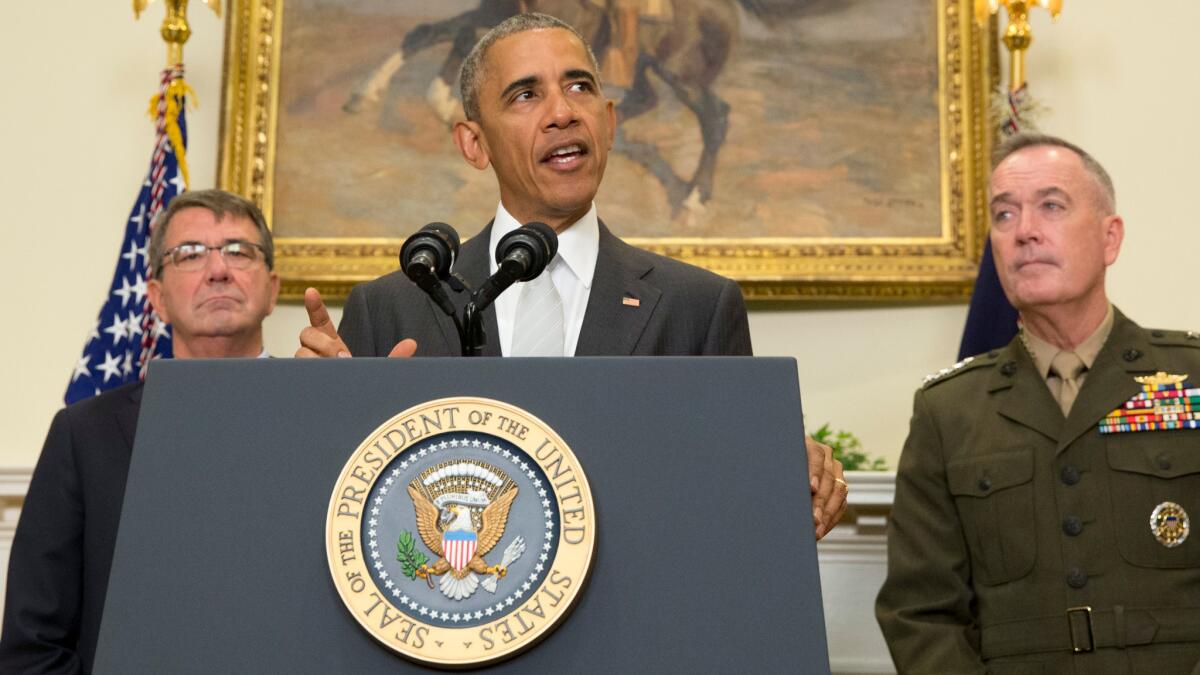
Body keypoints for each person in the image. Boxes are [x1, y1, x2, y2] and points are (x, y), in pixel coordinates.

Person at [296, 13, 849, 537]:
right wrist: (315, 417)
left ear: (608, 124)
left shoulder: (697, 307)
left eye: (580, 87)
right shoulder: (394, 306)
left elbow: (736, 503)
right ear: (474, 143)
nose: (563, 112)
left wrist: (784, 472)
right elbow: (343, 517)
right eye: (526, 94)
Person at [876, 133, 1200, 673]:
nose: (1024, 231)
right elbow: (920, 612)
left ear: (1109, 237)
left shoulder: (1192, 378)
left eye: (1051, 206)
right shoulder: (949, 411)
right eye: (1004, 216)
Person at [0, 189, 280, 673]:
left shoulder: (318, 420)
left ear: (273, 289)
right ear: (157, 299)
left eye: (239, 251)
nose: (218, 270)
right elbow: (33, 644)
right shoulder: (83, 435)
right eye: (190, 254)